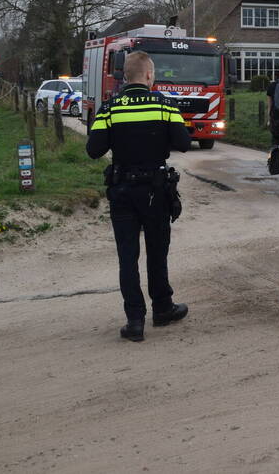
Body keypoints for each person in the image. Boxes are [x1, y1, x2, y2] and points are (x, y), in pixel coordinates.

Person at [86, 51, 191, 342]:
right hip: (155, 191)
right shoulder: (164, 105)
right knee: (157, 252)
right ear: (148, 75)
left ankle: (134, 321)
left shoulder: (109, 108)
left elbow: (93, 150)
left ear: (124, 76)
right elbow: (183, 143)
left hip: (121, 190)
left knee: (127, 257)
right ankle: (162, 308)